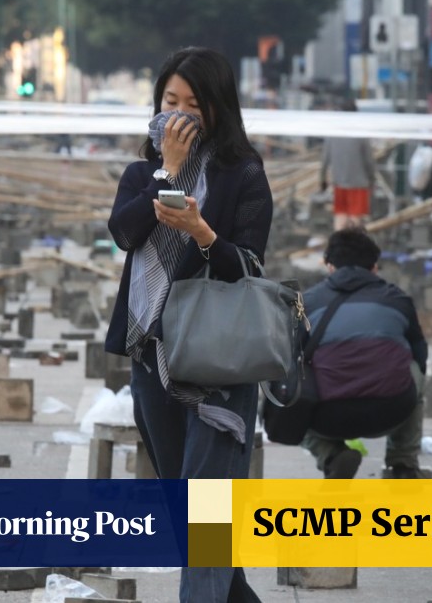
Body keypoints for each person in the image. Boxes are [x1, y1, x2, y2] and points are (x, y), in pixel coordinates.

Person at [105, 47, 272, 603]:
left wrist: (203, 232)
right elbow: (125, 234)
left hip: (218, 359)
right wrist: (168, 175)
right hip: (152, 355)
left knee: (207, 519)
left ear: (218, 110)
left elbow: (249, 267)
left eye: (192, 105)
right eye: (169, 102)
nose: (177, 116)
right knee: (195, 519)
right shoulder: (140, 173)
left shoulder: (242, 174)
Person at [298, 228, 430, 480]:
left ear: (329, 266)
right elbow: (421, 359)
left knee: (288, 385)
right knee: (414, 369)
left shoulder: (308, 301)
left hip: (327, 417)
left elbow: (287, 362)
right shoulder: (397, 299)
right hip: (390, 411)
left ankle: (330, 455)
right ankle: (403, 463)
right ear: (375, 268)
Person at [320, 100, 378, 231]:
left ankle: (340, 245)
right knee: (355, 220)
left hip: (339, 184)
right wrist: (372, 180)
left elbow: (324, 160)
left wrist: (322, 180)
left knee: (340, 219)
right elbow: (369, 161)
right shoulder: (360, 134)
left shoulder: (332, 134)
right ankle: (352, 247)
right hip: (359, 185)